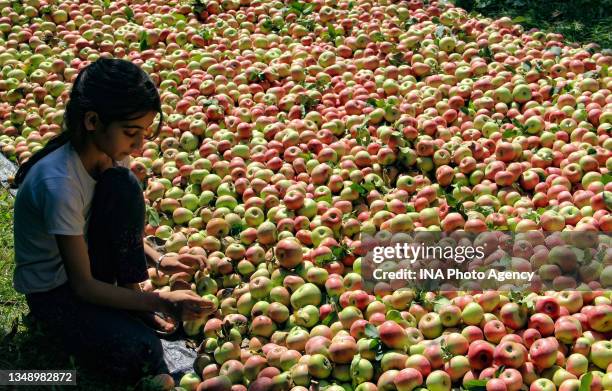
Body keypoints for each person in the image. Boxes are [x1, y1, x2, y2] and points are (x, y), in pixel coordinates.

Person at [11, 58, 213, 382]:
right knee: (142, 351)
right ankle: (128, 308)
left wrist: (161, 261)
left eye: (143, 133)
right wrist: (161, 300)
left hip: (87, 265)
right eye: (131, 132)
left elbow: (116, 222)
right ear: (93, 121)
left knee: (124, 185)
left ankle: (133, 300)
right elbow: (83, 286)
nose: (139, 144)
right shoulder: (59, 184)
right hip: (56, 293)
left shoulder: (106, 154)